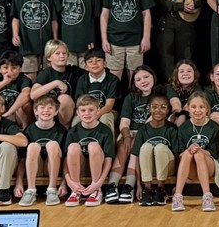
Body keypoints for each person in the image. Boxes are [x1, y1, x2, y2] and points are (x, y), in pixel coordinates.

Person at [111, 66, 158, 203]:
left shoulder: (159, 96)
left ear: (153, 77)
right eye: (138, 79)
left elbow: (153, 122)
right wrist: (126, 137)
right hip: (131, 132)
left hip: (150, 132)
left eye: (146, 77)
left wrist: (135, 138)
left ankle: (129, 186)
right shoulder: (131, 98)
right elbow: (124, 123)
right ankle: (112, 185)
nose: (143, 81)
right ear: (135, 84)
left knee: (136, 143)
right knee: (123, 146)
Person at [171, 92, 219, 212]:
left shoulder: (213, 127)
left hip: (209, 165)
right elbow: (180, 153)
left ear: (207, 109)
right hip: (190, 168)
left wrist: (199, 150)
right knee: (188, 153)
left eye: (201, 107)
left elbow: (213, 153)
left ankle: (207, 197)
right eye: (193, 107)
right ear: (188, 109)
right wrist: (189, 150)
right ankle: (178, 197)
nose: (197, 110)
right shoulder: (184, 128)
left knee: (198, 153)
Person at [63, 94, 116, 207]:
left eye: (91, 110)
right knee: (72, 147)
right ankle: (76, 190)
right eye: (83, 110)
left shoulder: (104, 130)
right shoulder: (73, 131)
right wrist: (69, 181)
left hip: (98, 170)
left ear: (98, 111)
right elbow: (65, 160)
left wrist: (99, 183)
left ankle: (96, 191)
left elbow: (108, 159)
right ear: (78, 113)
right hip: (79, 168)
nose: (87, 113)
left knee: (93, 146)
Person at [16, 95, 67, 206]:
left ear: (56, 112)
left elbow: (66, 159)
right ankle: (30, 190)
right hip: (35, 169)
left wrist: (64, 182)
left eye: (50, 108)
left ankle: (52, 189)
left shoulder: (61, 131)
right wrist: (19, 181)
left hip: (54, 168)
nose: (46, 110)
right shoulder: (29, 130)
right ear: (36, 111)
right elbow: (22, 159)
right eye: (42, 107)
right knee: (33, 146)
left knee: (52, 145)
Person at [12, 0, 58, 77]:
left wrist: (55, 38)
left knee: (47, 74)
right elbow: (16, 17)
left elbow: (54, 20)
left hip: (45, 42)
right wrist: (15, 34)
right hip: (27, 43)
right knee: (29, 75)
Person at [134, 89, 175, 207]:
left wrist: (176, 183)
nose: (158, 110)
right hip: (150, 168)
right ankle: (148, 189)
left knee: (160, 147)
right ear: (149, 109)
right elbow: (137, 157)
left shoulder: (172, 129)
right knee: (146, 147)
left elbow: (178, 155)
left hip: (168, 168)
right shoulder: (143, 130)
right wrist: (139, 185)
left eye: (163, 107)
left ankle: (161, 189)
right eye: (154, 106)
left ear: (167, 110)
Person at [31, 39, 82, 125]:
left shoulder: (74, 71)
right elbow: (33, 95)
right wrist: (56, 83)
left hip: (68, 113)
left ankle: (64, 131)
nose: (62, 56)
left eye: (64, 53)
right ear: (49, 57)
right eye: (57, 53)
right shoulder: (45, 73)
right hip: (48, 111)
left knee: (64, 98)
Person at [74, 49, 120, 134]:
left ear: (105, 63)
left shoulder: (113, 80)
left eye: (98, 60)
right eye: (90, 61)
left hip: (108, 111)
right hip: (87, 110)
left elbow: (109, 106)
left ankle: (108, 146)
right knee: (76, 121)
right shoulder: (82, 80)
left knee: (105, 119)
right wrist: (88, 114)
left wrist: (93, 116)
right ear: (86, 67)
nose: (94, 63)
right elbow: (80, 103)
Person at [0, 51, 32, 127]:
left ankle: (26, 129)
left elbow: (26, 93)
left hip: (16, 113)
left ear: (20, 69)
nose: (9, 71)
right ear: (0, 69)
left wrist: (10, 112)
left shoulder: (24, 79)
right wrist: (4, 82)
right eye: (5, 68)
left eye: (14, 68)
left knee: (26, 103)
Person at [167, 60, 202, 127]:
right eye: (182, 71)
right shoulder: (170, 87)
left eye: (189, 71)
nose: (185, 74)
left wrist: (182, 116)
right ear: (176, 74)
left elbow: (189, 105)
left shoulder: (198, 88)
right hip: (173, 115)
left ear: (194, 73)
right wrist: (176, 115)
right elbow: (175, 103)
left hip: (190, 116)